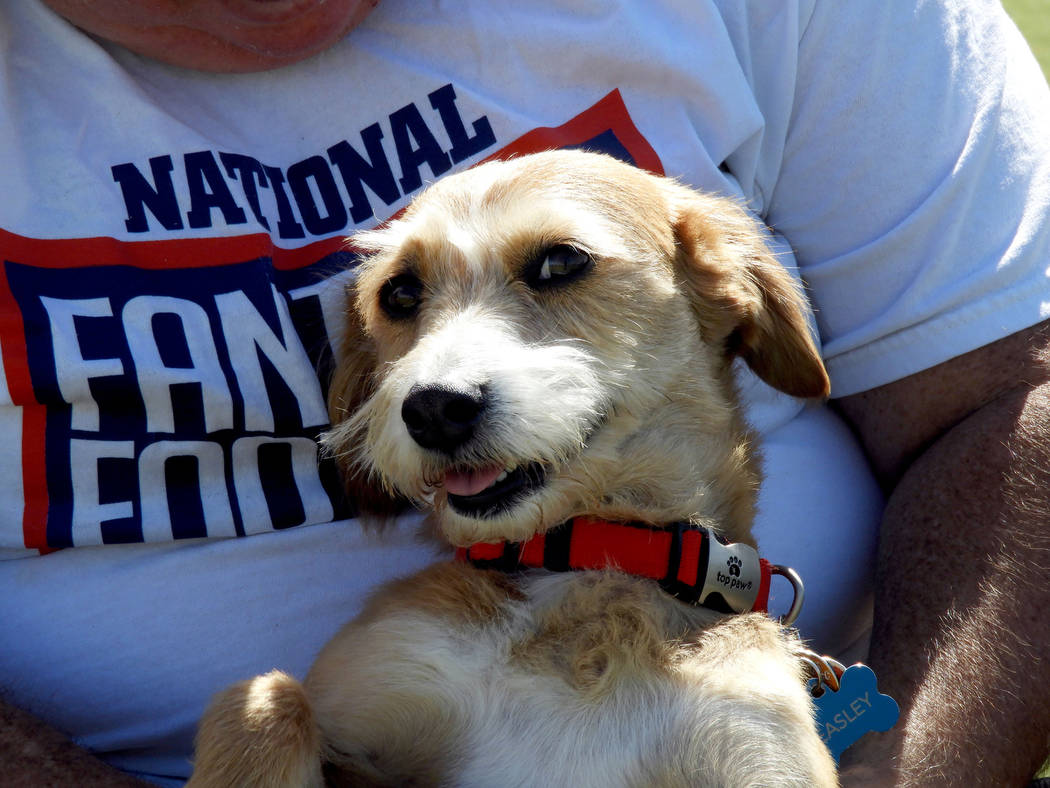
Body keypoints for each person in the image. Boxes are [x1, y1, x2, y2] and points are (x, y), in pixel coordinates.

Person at [0, 0, 1047, 785]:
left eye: (557, 268)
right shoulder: (398, 644)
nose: (442, 381)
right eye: (403, 299)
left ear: (739, 306)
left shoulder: (756, 686)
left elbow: (1010, 390)